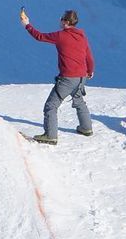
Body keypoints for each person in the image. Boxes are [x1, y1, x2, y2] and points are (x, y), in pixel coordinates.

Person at [20, 8, 94, 144]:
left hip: (67, 78)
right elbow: (88, 55)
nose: (59, 20)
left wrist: (27, 25)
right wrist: (90, 71)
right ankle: (86, 128)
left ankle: (51, 135)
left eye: (61, 18)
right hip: (81, 77)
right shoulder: (82, 36)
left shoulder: (61, 36)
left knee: (51, 106)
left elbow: (39, 36)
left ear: (66, 22)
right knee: (79, 101)